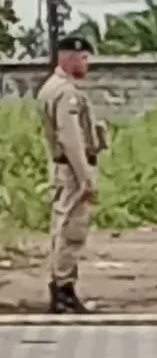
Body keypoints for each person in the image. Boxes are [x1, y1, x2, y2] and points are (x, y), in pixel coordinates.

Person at [36, 34, 109, 313]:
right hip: (71, 169)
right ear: (68, 58)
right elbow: (71, 138)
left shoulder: (51, 88)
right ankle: (63, 291)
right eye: (83, 57)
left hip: (62, 167)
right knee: (71, 230)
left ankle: (63, 288)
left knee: (63, 226)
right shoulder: (65, 92)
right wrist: (85, 175)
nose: (87, 63)